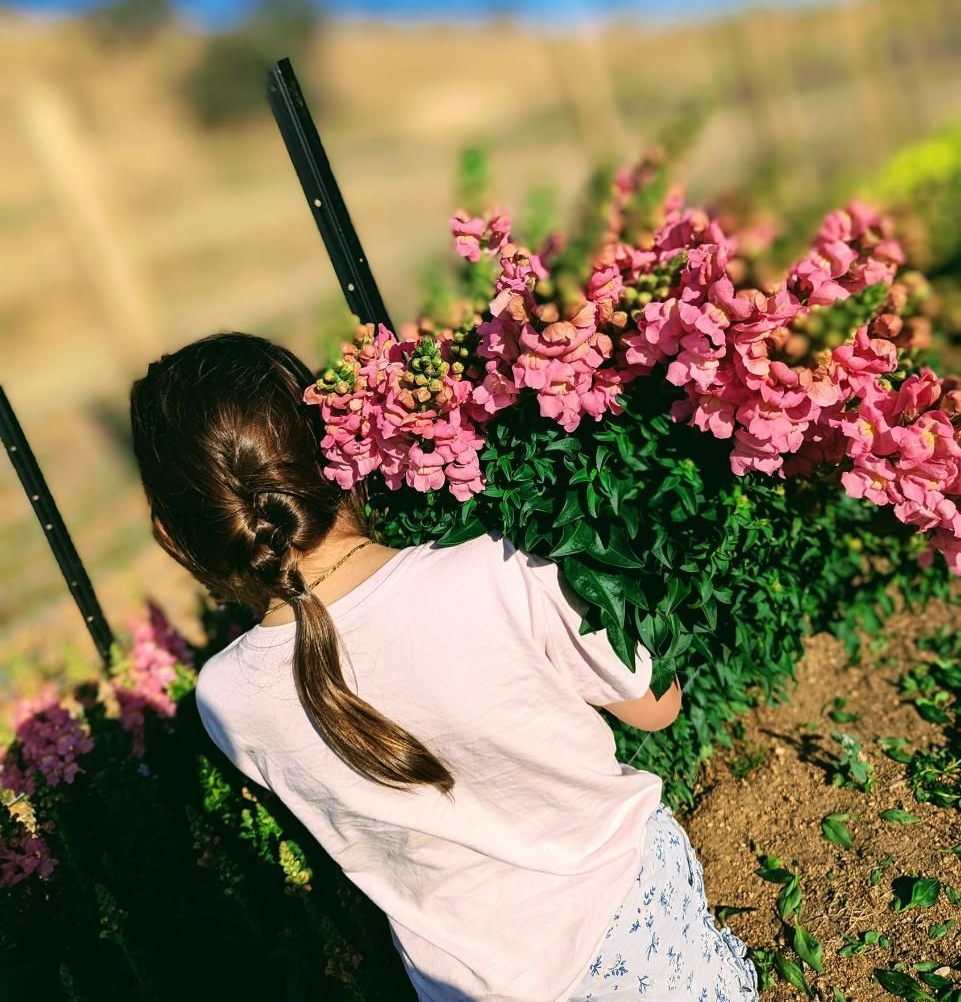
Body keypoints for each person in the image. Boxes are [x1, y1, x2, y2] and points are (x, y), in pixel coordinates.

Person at [129, 331, 759, 1002]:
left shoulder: (225, 698)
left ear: (172, 536)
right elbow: (656, 708)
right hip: (633, 927)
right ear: (344, 439)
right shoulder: (492, 567)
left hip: (474, 986)